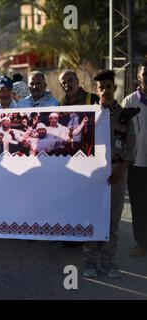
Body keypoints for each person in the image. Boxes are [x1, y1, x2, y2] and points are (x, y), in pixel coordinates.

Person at [82, 69, 136, 278]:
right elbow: (81, 143)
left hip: (116, 173)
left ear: (115, 88)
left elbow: (131, 147)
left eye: (109, 86)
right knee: (92, 217)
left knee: (112, 221)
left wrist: (121, 169)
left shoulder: (125, 115)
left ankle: (108, 262)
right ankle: (89, 260)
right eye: (101, 87)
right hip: (93, 174)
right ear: (96, 90)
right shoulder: (89, 115)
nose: (105, 90)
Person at [122, 60, 147, 257]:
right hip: (137, 163)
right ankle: (141, 243)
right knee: (139, 205)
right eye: (145, 73)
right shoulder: (129, 101)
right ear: (138, 76)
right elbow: (120, 131)